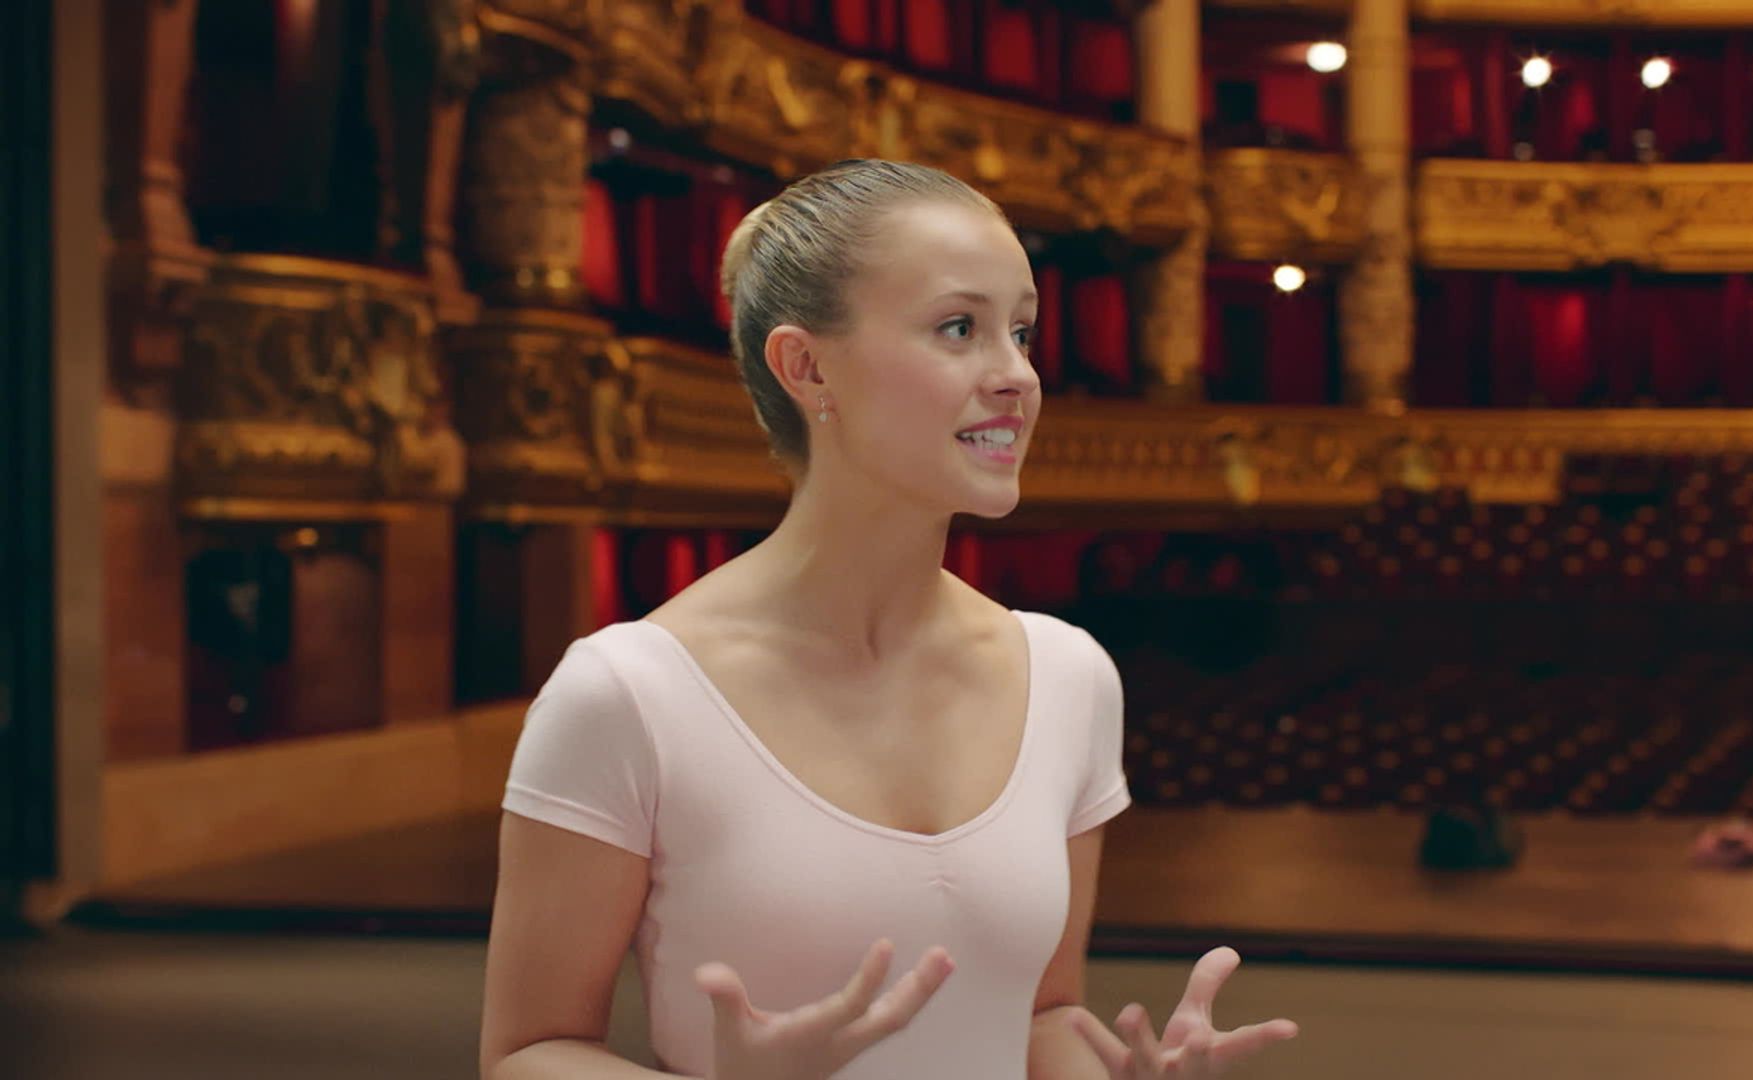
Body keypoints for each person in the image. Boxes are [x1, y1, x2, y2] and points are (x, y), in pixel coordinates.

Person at [478, 159, 1298, 1079]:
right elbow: (527, 1052)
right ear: (806, 366)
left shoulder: (1068, 676)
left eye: (1021, 332)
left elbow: (1041, 1014)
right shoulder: (629, 693)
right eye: (959, 328)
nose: (1017, 376)